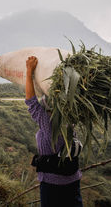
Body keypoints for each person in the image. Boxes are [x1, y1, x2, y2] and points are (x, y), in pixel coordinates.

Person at [25, 56, 83, 207]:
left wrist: (29, 70)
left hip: (53, 184)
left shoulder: (49, 124)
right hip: (72, 179)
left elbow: (31, 102)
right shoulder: (70, 118)